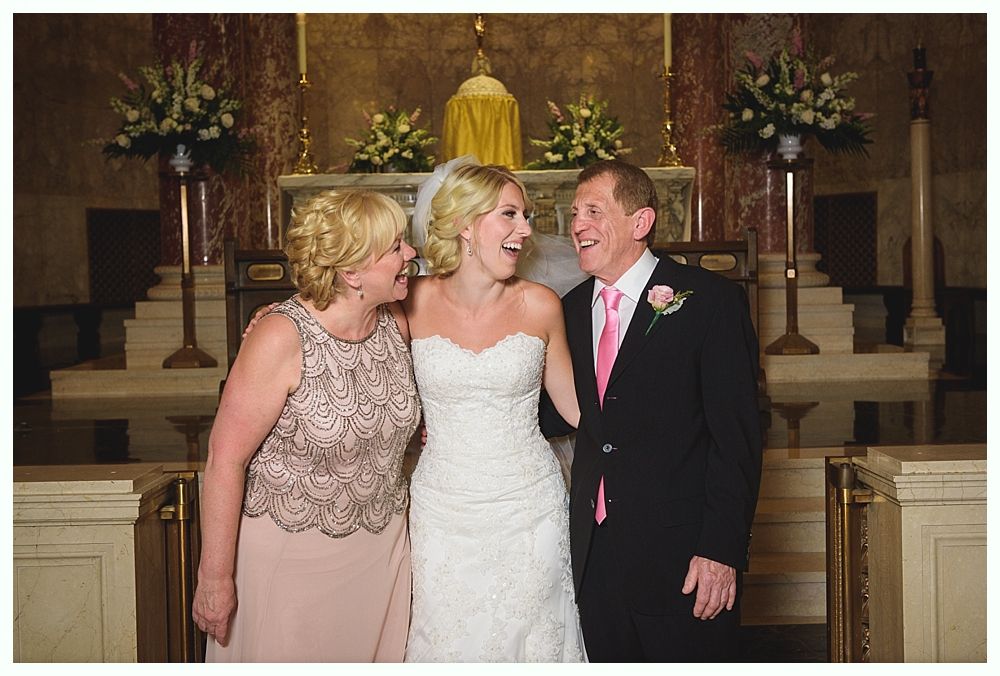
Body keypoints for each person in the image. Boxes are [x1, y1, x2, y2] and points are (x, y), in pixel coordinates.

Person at [540, 160, 762, 662]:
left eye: (594, 211)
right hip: (594, 559)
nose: (577, 225)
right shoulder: (568, 310)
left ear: (640, 223)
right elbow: (562, 416)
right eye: (575, 213)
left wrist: (721, 551)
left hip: (683, 559)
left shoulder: (710, 303)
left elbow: (737, 441)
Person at [191, 189, 421, 662]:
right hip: (291, 561)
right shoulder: (280, 336)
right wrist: (214, 577)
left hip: (382, 557)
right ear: (351, 270)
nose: (411, 255)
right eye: (396, 246)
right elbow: (224, 460)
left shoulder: (397, 319)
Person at [401, 159, 585, 662]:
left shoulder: (542, 304)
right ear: (465, 224)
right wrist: (274, 317)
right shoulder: (409, 302)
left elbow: (576, 411)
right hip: (441, 510)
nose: (526, 230)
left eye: (524, 216)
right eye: (509, 215)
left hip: (530, 508)